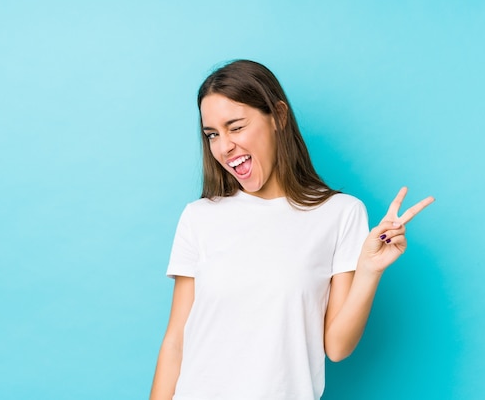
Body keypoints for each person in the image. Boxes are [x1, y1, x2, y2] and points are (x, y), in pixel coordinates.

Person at [150, 59, 434, 400]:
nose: (223, 147)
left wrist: (370, 270)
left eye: (236, 127)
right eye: (212, 134)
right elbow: (176, 342)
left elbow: (337, 346)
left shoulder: (340, 214)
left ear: (279, 117)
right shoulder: (199, 217)